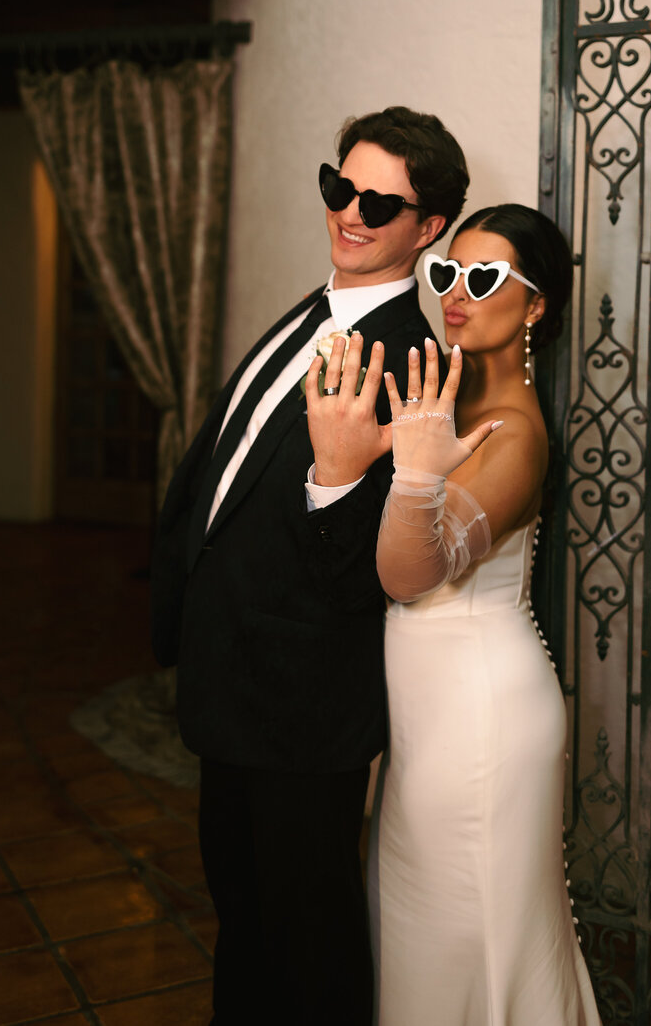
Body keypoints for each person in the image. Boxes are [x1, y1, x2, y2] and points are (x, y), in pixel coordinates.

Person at [150, 105, 469, 1026]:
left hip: (301, 702)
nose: (350, 212)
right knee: (245, 921)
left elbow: (373, 577)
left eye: (380, 203)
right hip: (234, 680)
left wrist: (339, 476)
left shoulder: (410, 361)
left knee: (309, 945)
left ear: (428, 226)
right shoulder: (316, 309)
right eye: (341, 187)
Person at [305, 203, 601, 1024]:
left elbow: (409, 573)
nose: (455, 293)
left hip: (481, 720)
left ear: (536, 304)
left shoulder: (515, 435)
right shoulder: (444, 402)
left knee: (464, 944)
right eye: (446, 273)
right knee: (418, 941)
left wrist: (404, 471)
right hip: (426, 716)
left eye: (483, 276)